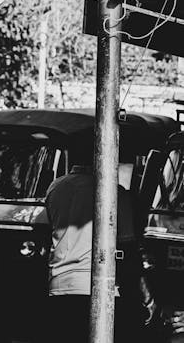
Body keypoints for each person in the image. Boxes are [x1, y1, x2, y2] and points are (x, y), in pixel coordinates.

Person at [43, 147, 146, 343]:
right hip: (101, 288)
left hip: (59, 283)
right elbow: (127, 246)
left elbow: (52, 230)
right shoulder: (116, 194)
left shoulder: (55, 188)